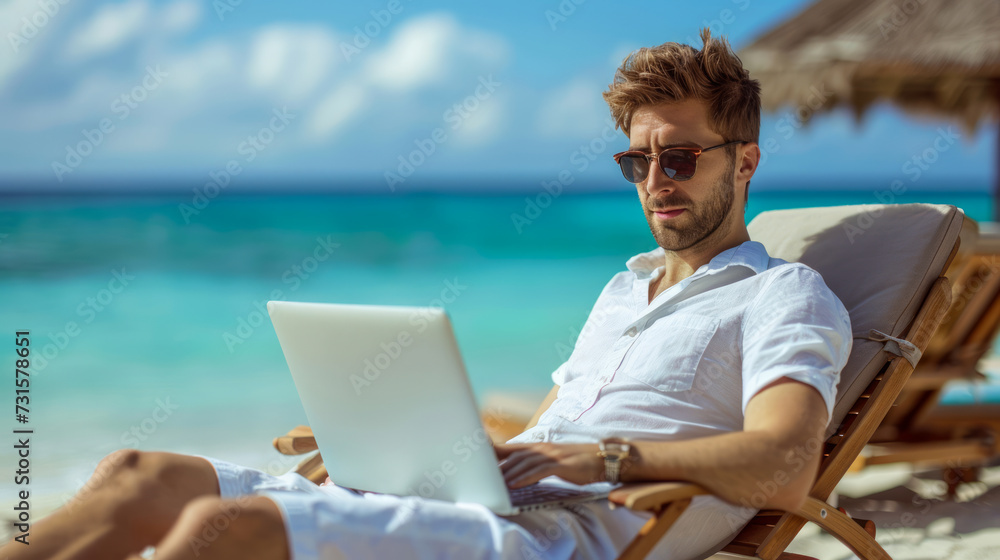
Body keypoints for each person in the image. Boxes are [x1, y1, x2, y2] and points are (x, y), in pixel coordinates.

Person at [2, 28, 851, 560]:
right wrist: (408, 449)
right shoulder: (622, 291)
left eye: (681, 157)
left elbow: (783, 465)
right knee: (135, 473)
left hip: (556, 536)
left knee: (222, 533)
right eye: (638, 161)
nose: (656, 181)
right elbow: (548, 431)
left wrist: (603, 460)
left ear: (745, 162)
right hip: (483, 500)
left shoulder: (784, 296)